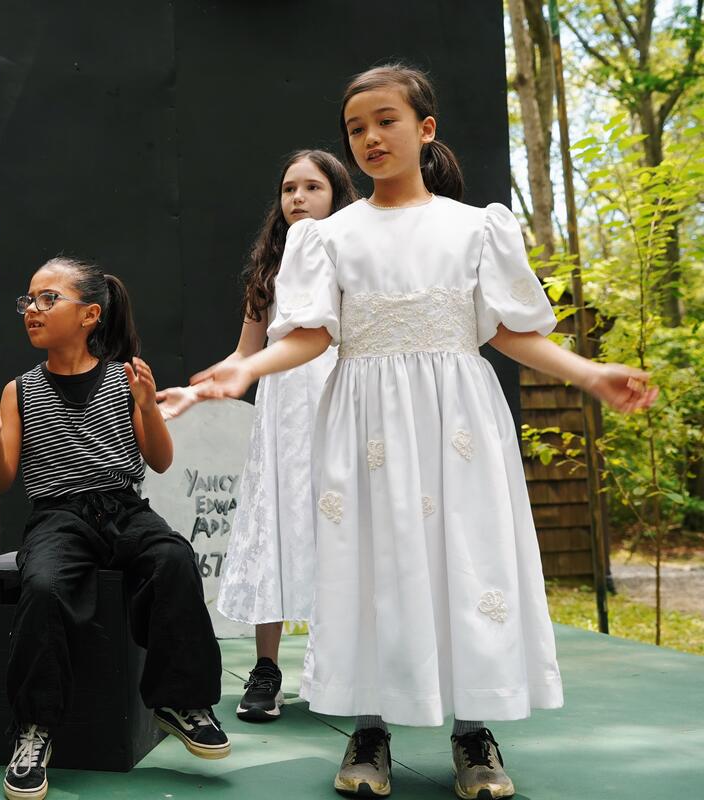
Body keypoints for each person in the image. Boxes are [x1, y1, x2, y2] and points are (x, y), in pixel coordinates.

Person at [195, 64, 658, 799]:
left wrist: (589, 373)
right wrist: (245, 369)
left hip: (458, 421)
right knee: (369, 562)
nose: (371, 138)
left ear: (425, 128)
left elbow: (509, 330)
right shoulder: (328, 237)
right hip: (363, 424)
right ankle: (369, 730)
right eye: (356, 128)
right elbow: (310, 334)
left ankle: (473, 733)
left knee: (468, 562)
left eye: (387, 121)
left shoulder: (476, 227)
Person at [0, 258, 229, 800]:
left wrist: (147, 407)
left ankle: (179, 701)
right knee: (43, 586)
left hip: (123, 508)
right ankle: (34, 728)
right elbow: (0, 478)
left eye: (48, 299)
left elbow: (160, 460)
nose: (32, 309)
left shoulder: (122, 378)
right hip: (58, 514)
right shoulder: (21, 389)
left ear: (89, 315)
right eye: (28, 300)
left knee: (173, 558)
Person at [158, 149, 358, 722]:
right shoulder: (268, 273)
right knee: (273, 527)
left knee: (343, 528)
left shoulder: (356, 256)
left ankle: (344, 668)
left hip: (343, 405)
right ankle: (266, 670)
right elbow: (246, 354)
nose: (298, 197)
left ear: (336, 195)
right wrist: (196, 391)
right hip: (283, 416)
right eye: (289, 188)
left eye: (312, 187)